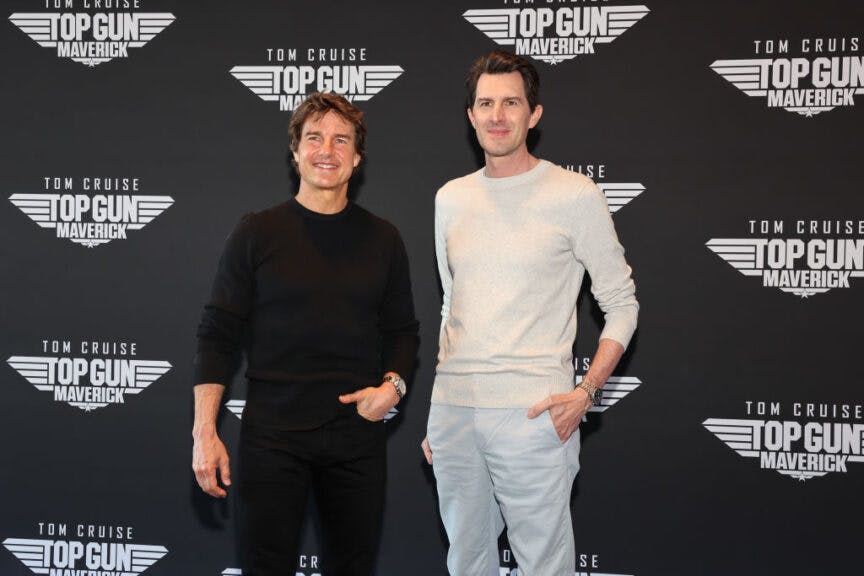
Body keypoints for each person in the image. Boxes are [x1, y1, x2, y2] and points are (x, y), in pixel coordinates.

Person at [423, 51, 638, 576]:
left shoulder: (574, 194)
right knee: (466, 562)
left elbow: (622, 304)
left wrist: (585, 393)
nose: (497, 115)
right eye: (486, 103)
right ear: (471, 116)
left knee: (544, 564)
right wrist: (442, 403)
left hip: (535, 414)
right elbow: (453, 303)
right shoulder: (450, 199)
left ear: (533, 114)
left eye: (511, 103)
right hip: (454, 411)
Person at [192, 92, 419, 576]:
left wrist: (392, 387)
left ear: (356, 159)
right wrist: (204, 431)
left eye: (341, 140)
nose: (326, 150)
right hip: (272, 438)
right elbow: (217, 336)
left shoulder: (384, 239)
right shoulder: (256, 233)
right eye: (314, 137)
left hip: (356, 438)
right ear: (295, 150)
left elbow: (403, 332)